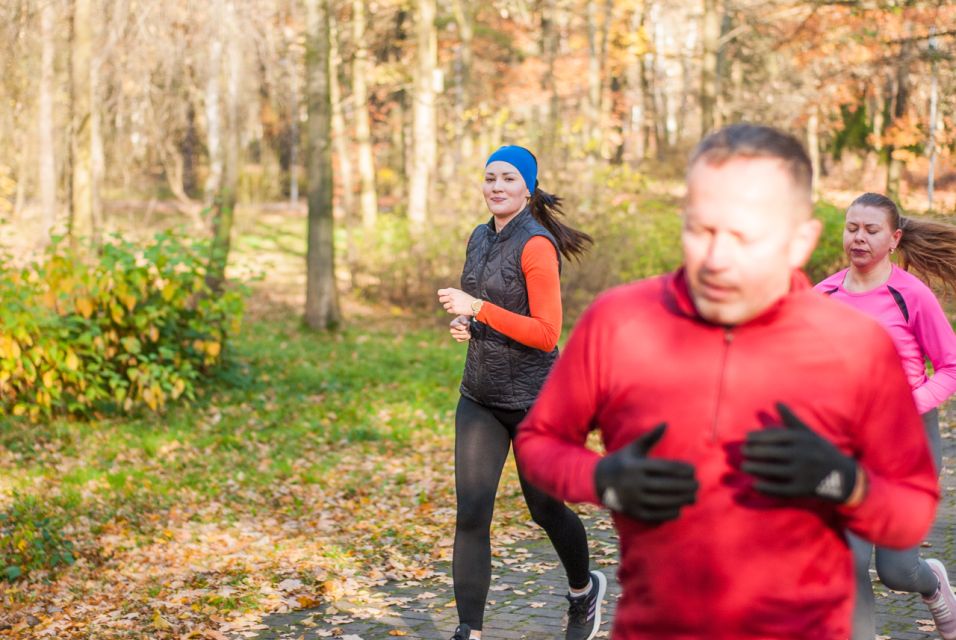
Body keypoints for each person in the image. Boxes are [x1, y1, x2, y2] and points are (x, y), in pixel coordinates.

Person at [513, 124, 940, 639]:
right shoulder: (619, 321)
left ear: (800, 239)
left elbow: (911, 508)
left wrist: (842, 482)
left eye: (744, 236)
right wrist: (602, 479)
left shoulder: (854, 343)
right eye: (700, 228)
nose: (715, 257)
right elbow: (539, 443)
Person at [436, 145, 604, 640]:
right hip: (481, 396)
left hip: (535, 403)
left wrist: (479, 309)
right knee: (471, 512)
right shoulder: (479, 237)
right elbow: (487, 301)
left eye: (507, 178)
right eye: (489, 178)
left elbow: (547, 332)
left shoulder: (537, 245)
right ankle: (471, 630)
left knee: (545, 509)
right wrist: (466, 320)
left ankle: (583, 590)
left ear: (526, 188)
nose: (496, 187)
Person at [816, 192, 956, 640]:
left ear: (893, 239)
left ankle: (933, 585)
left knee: (896, 570)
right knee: (847, 563)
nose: (858, 238)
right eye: (852, 228)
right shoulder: (823, 295)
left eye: (870, 230)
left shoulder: (910, 295)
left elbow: (951, 367)